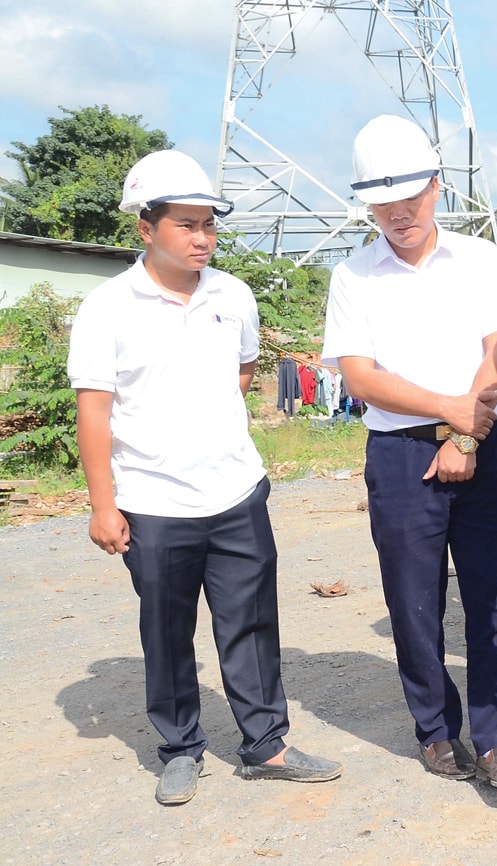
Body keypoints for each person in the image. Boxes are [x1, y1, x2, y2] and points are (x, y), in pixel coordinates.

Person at [68, 150, 342, 805]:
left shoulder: (233, 295)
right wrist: (104, 506)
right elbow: (94, 413)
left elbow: (240, 377)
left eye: (209, 225)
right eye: (186, 225)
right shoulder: (108, 308)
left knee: (250, 622)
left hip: (235, 492)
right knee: (165, 630)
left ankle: (266, 745)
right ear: (146, 228)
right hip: (152, 504)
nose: (202, 238)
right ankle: (180, 748)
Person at [322, 115, 497, 789]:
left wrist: (466, 434)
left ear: (437, 188)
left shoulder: (477, 258)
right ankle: (437, 731)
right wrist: (449, 413)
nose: (398, 213)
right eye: (383, 203)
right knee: (413, 601)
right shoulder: (353, 276)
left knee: (491, 594)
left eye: (410, 198)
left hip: (482, 440)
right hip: (400, 454)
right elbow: (360, 377)